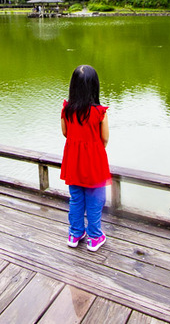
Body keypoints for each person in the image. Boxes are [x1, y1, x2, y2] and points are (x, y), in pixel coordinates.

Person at [60, 64, 110, 252]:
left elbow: (65, 133)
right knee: (95, 199)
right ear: (94, 86)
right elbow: (104, 139)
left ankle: (75, 233)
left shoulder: (67, 110)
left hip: (73, 159)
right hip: (94, 160)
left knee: (76, 198)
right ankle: (95, 237)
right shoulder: (100, 112)